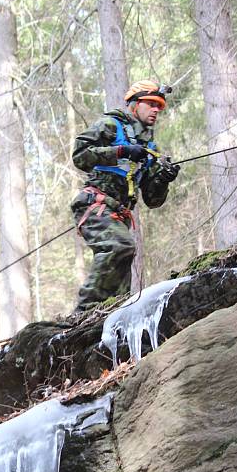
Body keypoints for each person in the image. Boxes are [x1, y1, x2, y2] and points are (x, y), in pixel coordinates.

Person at [71, 79, 180, 311]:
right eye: (150, 104)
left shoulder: (150, 148)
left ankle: (111, 314)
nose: (155, 110)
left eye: (159, 106)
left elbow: (153, 200)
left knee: (123, 262)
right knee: (119, 246)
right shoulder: (111, 125)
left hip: (119, 213)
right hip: (95, 204)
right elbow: (80, 155)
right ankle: (83, 312)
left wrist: (163, 178)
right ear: (134, 105)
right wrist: (120, 151)